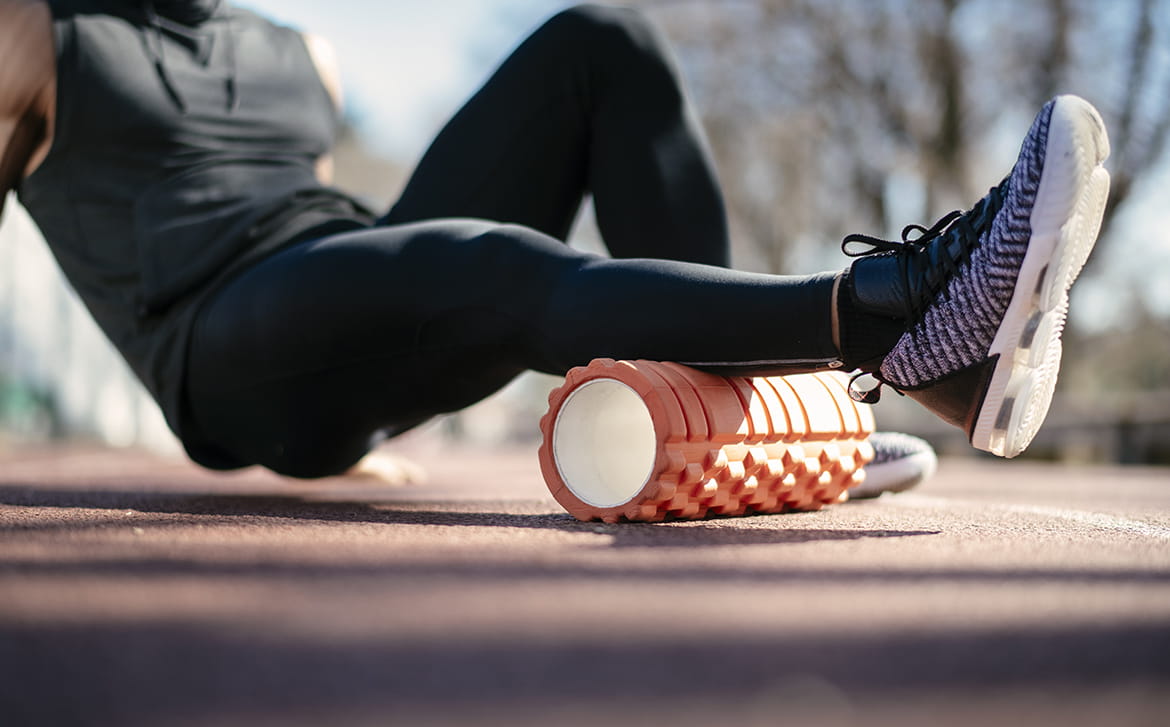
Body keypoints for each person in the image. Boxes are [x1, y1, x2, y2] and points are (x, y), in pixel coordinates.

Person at [0, 0, 1109, 480]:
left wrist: (366, 386)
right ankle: (888, 316)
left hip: (336, 288)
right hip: (218, 342)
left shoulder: (300, 53)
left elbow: (348, 254)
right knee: (483, 263)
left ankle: (759, 421)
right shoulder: (37, 35)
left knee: (601, 42)